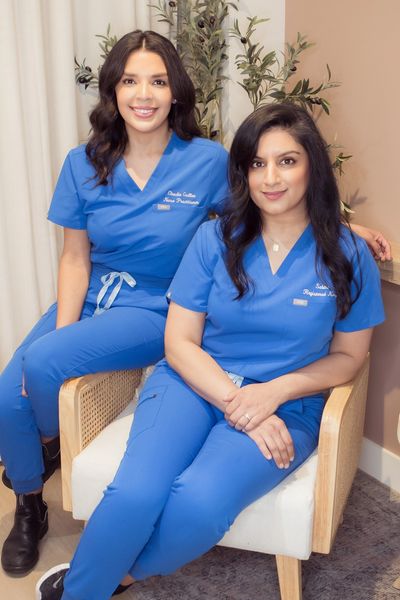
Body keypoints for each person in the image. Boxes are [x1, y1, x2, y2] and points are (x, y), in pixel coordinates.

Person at [35, 102, 385, 600]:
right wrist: (238, 402)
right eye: (257, 163)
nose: (271, 178)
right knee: (135, 493)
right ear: (243, 172)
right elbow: (179, 341)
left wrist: (273, 393)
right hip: (193, 381)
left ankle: (119, 575)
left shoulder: (347, 255)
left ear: (312, 165)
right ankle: (82, 591)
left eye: (287, 161)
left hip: (288, 405)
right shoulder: (214, 238)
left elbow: (349, 358)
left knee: (199, 503)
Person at [0, 30, 229, 576]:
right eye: (130, 81)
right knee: (8, 396)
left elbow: (269, 212)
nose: (143, 94)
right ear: (113, 90)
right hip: (94, 294)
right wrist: (64, 329)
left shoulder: (207, 161)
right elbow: (75, 258)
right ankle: (30, 504)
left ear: (176, 92)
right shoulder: (82, 163)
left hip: (158, 308)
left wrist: (343, 229)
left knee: (42, 363)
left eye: (158, 81)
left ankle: (44, 441)